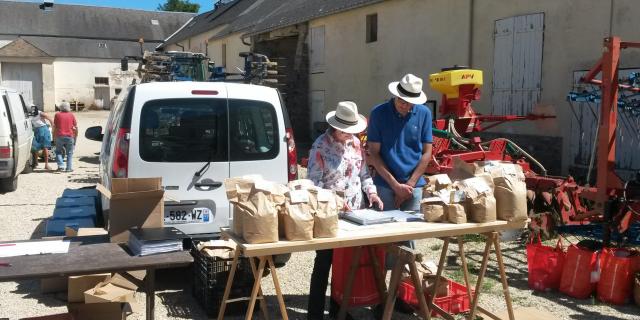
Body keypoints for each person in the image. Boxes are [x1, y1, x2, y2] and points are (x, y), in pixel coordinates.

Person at [306, 101, 383, 320]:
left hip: (355, 212)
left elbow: (363, 174)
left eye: (352, 131)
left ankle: (338, 311)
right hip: (329, 215)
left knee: (346, 265)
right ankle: (314, 314)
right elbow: (312, 184)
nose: (349, 135)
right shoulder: (320, 146)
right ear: (336, 127)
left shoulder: (356, 144)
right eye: (346, 131)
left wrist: (373, 193)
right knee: (323, 263)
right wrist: (334, 200)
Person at [367, 73, 433, 212]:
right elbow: (374, 152)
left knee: (413, 231)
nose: (404, 105)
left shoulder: (424, 113)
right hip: (385, 184)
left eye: (409, 102)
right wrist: (396, 186)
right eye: (401, 100)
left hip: (413, 186)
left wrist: (409, 185)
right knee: (385, 230)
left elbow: (427, 152)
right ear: (395, 95)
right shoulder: (378, 113)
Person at [53, 101, 78, 172]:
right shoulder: (71, 115)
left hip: (59, 136)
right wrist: (75, 136)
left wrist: (53, 136)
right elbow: (75, 126)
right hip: (70, 136)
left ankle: (61, 166)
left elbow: (55, 126)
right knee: (69, 153)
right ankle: (69, 168)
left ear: (60, 107)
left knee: (58, 151)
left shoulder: (57, 115)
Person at [30, 104, 53, 171]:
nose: (33, 111)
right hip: (36, 130)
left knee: (45, 147)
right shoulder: (30, 115)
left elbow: (50, 119)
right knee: (35, 148)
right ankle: (36, 163)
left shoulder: (40, 113)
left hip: (43, 130)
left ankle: (46, 164)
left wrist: (52, 128)